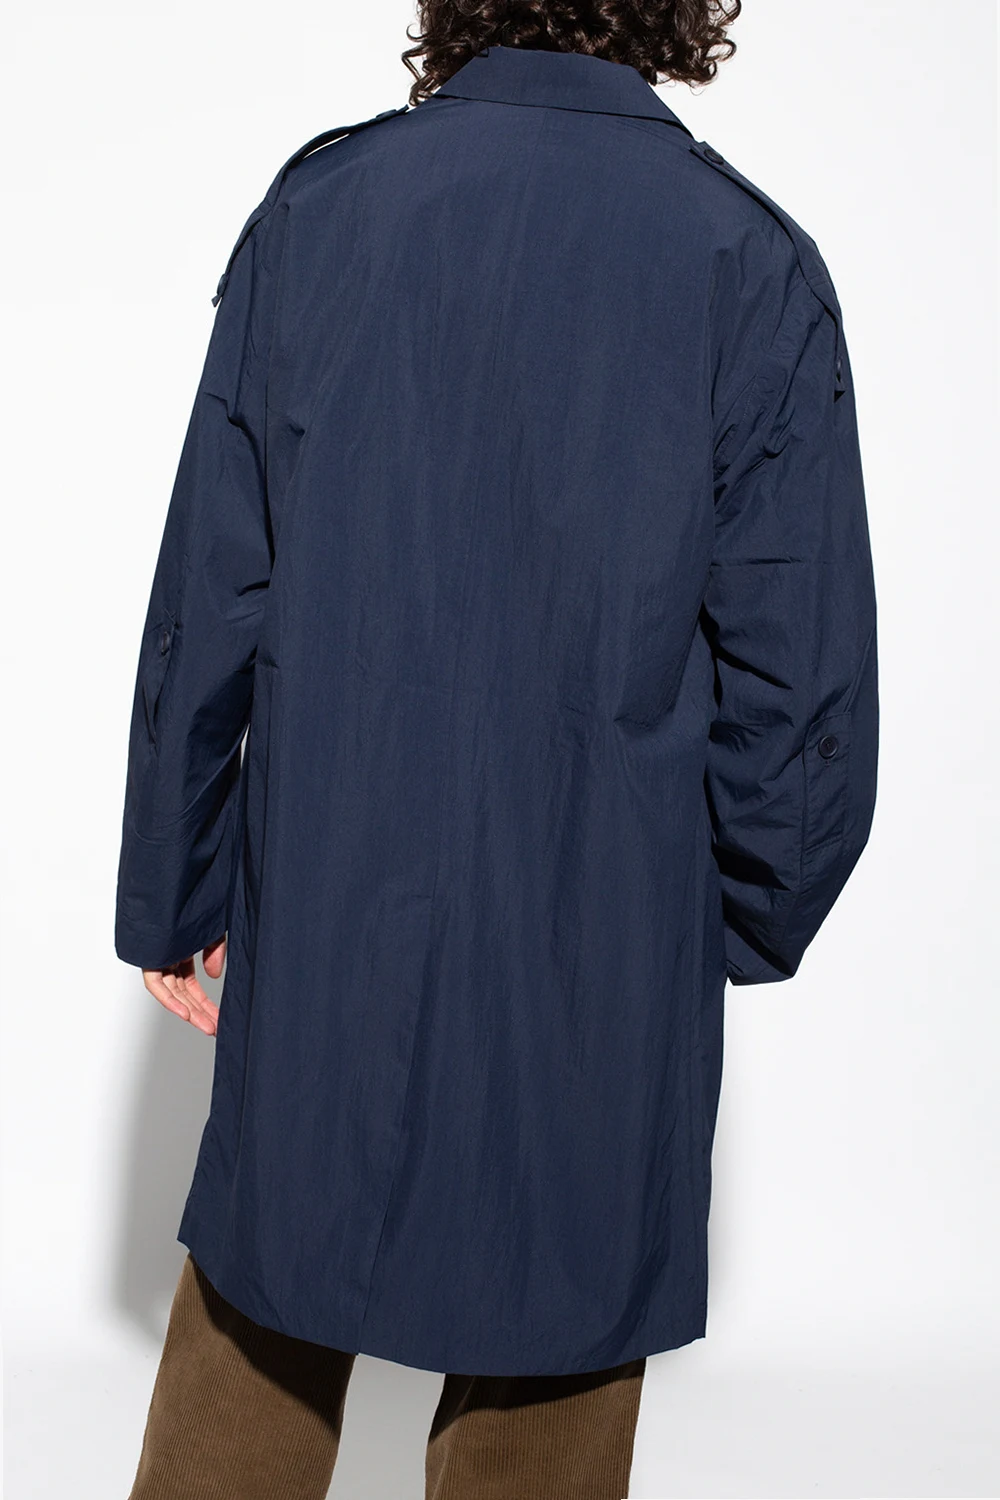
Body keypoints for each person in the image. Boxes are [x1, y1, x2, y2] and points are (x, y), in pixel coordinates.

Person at [114, 3, 879, 1496]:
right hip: (603, 918)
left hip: (329, 893)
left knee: (269, 1284)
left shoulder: (325, 209)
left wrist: (177, 884)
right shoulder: (746, 260)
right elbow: (803, 679)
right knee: (563, 1322)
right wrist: (737, 912)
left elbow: (210, 591)